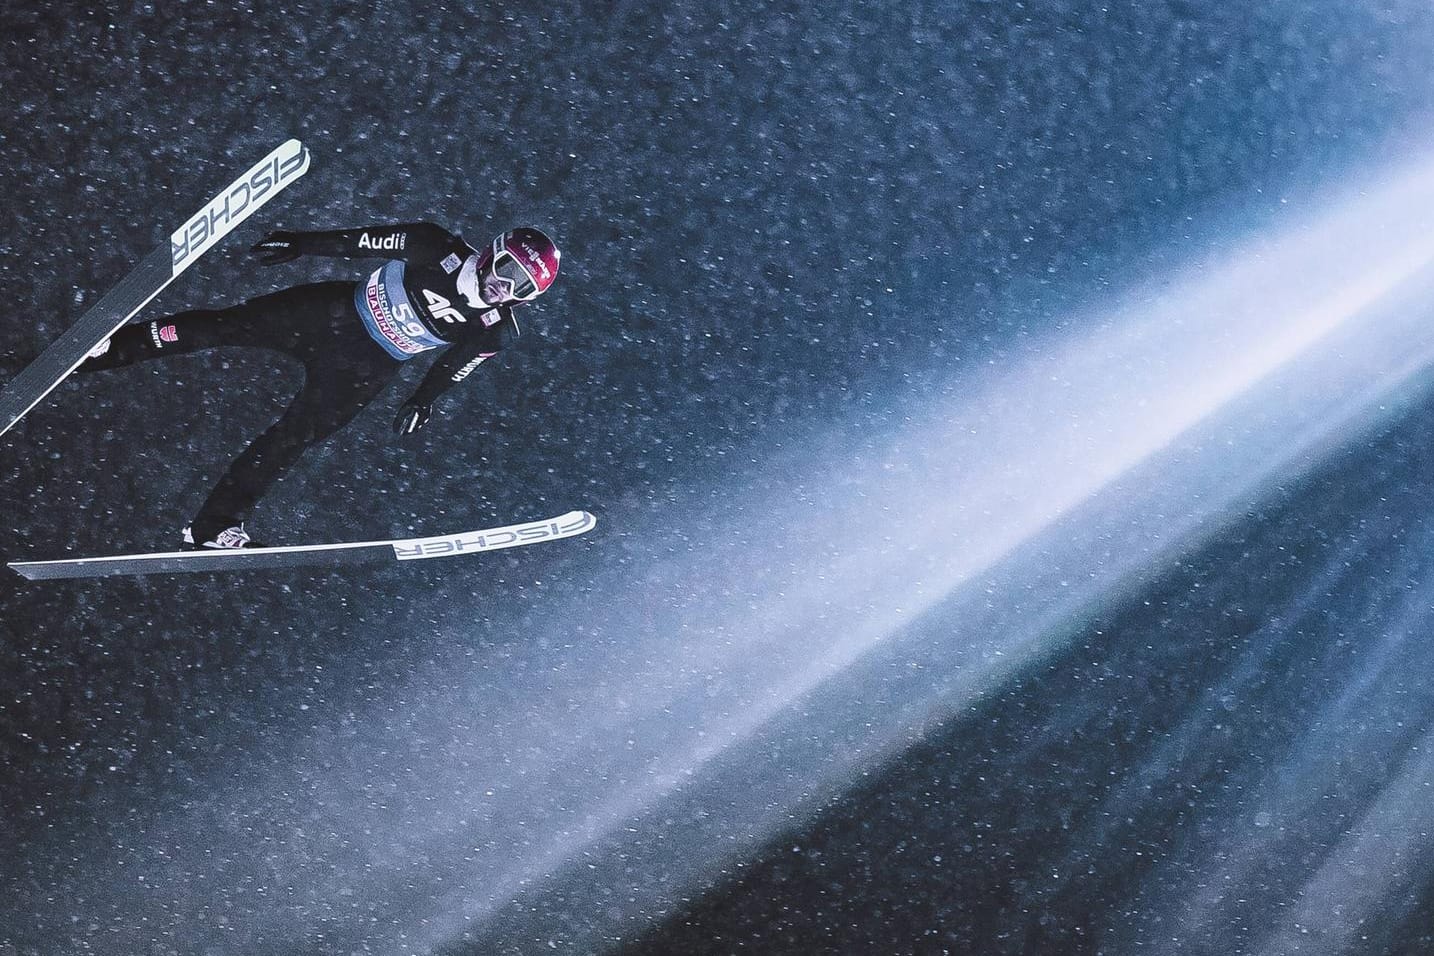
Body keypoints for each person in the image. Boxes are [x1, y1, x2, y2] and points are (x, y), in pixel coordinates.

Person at [77, 222, 561, 549]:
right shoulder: (435, 246)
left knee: (292, 440)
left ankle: (214, 525)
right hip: (328, 313)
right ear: (494, 251)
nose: (507, 288)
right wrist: (302, 243)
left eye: (524, 289)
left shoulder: (496, 328)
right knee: (223, 326)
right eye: (508, 271)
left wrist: (422, 400)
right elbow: (363, 242)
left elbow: (455, 366)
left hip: (366, 367)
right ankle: (106, 351)